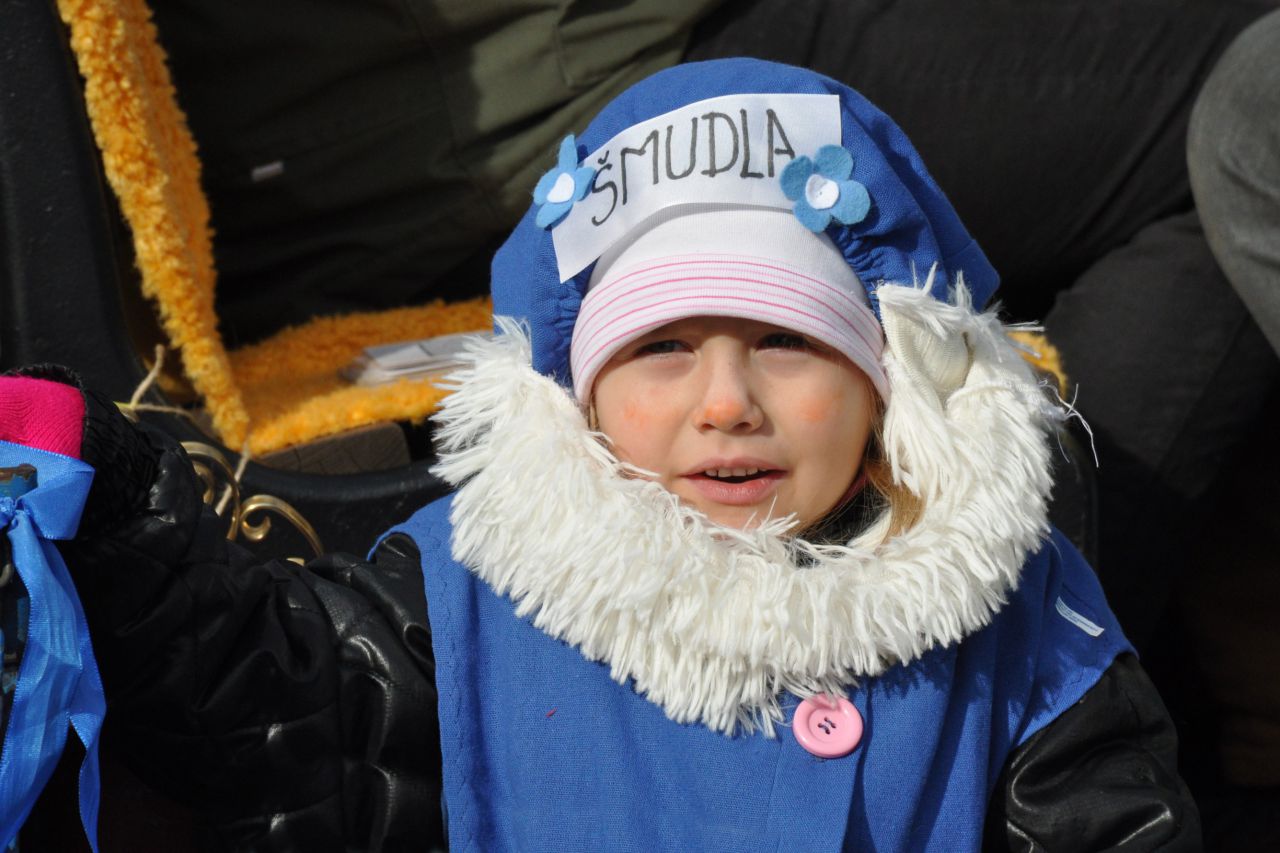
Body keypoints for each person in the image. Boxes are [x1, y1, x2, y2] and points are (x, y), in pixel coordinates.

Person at [2, 60, 1199, 850]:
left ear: (887, 382)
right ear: (577, 398)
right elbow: (278, 713)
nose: (724, 402)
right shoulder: (475, 587)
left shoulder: (1016, 612)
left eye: (787, 341)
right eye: (661, 348)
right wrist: (125, 505)